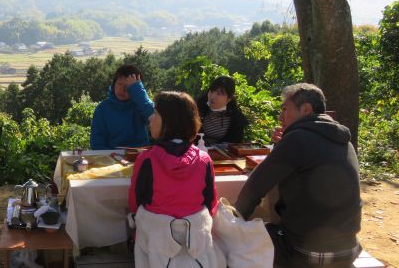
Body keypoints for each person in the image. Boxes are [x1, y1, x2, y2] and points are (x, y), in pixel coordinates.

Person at [235, 83, 362, 268]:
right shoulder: (344, 142)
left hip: (306, 253)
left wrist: (235, 222)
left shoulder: (298, 138)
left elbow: (255, 187)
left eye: (285, 109)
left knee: (241, 242)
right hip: (348, 250)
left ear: (306, 109)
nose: (280, 117)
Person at [128, 91, 223, 267]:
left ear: (168, 121)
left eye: (155, 113)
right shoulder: (204, 159)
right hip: (196, 243)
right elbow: (211, 202)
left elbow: (135, 201)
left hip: (156, 244)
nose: (150, 118)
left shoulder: (147, 159)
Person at [90, 65, 154, 150]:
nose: (122, 90)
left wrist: (137, 91)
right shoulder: (102, 109)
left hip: (140, 155)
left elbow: (156, 119)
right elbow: (97, 144)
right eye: (119, 84)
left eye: (127, 87)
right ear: (113, 84)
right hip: (113, 158)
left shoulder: (141, 104)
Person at [196, 75, 248, 144]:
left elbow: (236, 144)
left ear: (229, 99)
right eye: (211, 91)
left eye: (219, 93)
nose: (213, 96)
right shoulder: (198, 109)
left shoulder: (236, 118)